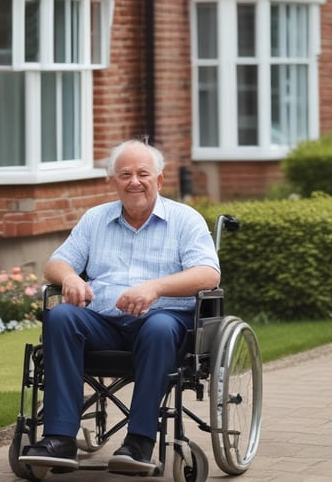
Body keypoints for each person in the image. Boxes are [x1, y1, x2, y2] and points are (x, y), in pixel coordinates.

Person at [19, 139, 220, 474]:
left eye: (143, 173)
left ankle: (139, 442)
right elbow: (56, 263)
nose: (134, 181)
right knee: (62, 315)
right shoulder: (96, 219)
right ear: (112, 181)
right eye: (124, 174)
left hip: (163, 324)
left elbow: (208, 274)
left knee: (158, 326)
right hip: (105, 324)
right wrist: (69, 278)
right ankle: (59, 439)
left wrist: (155, 288)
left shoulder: (185, 220)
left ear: (158, 180)